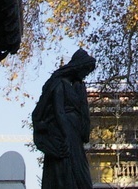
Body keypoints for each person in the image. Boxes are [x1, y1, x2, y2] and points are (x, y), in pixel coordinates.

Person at [32, 49, 97, 189]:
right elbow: (59, 110)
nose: (86, 74)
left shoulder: (76, 87)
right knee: (66, 170)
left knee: (80, 173)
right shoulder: (59, 84)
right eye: (85, 70)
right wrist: (65, 135)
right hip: (65, 132)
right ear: (79, 66)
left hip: (74, 134)